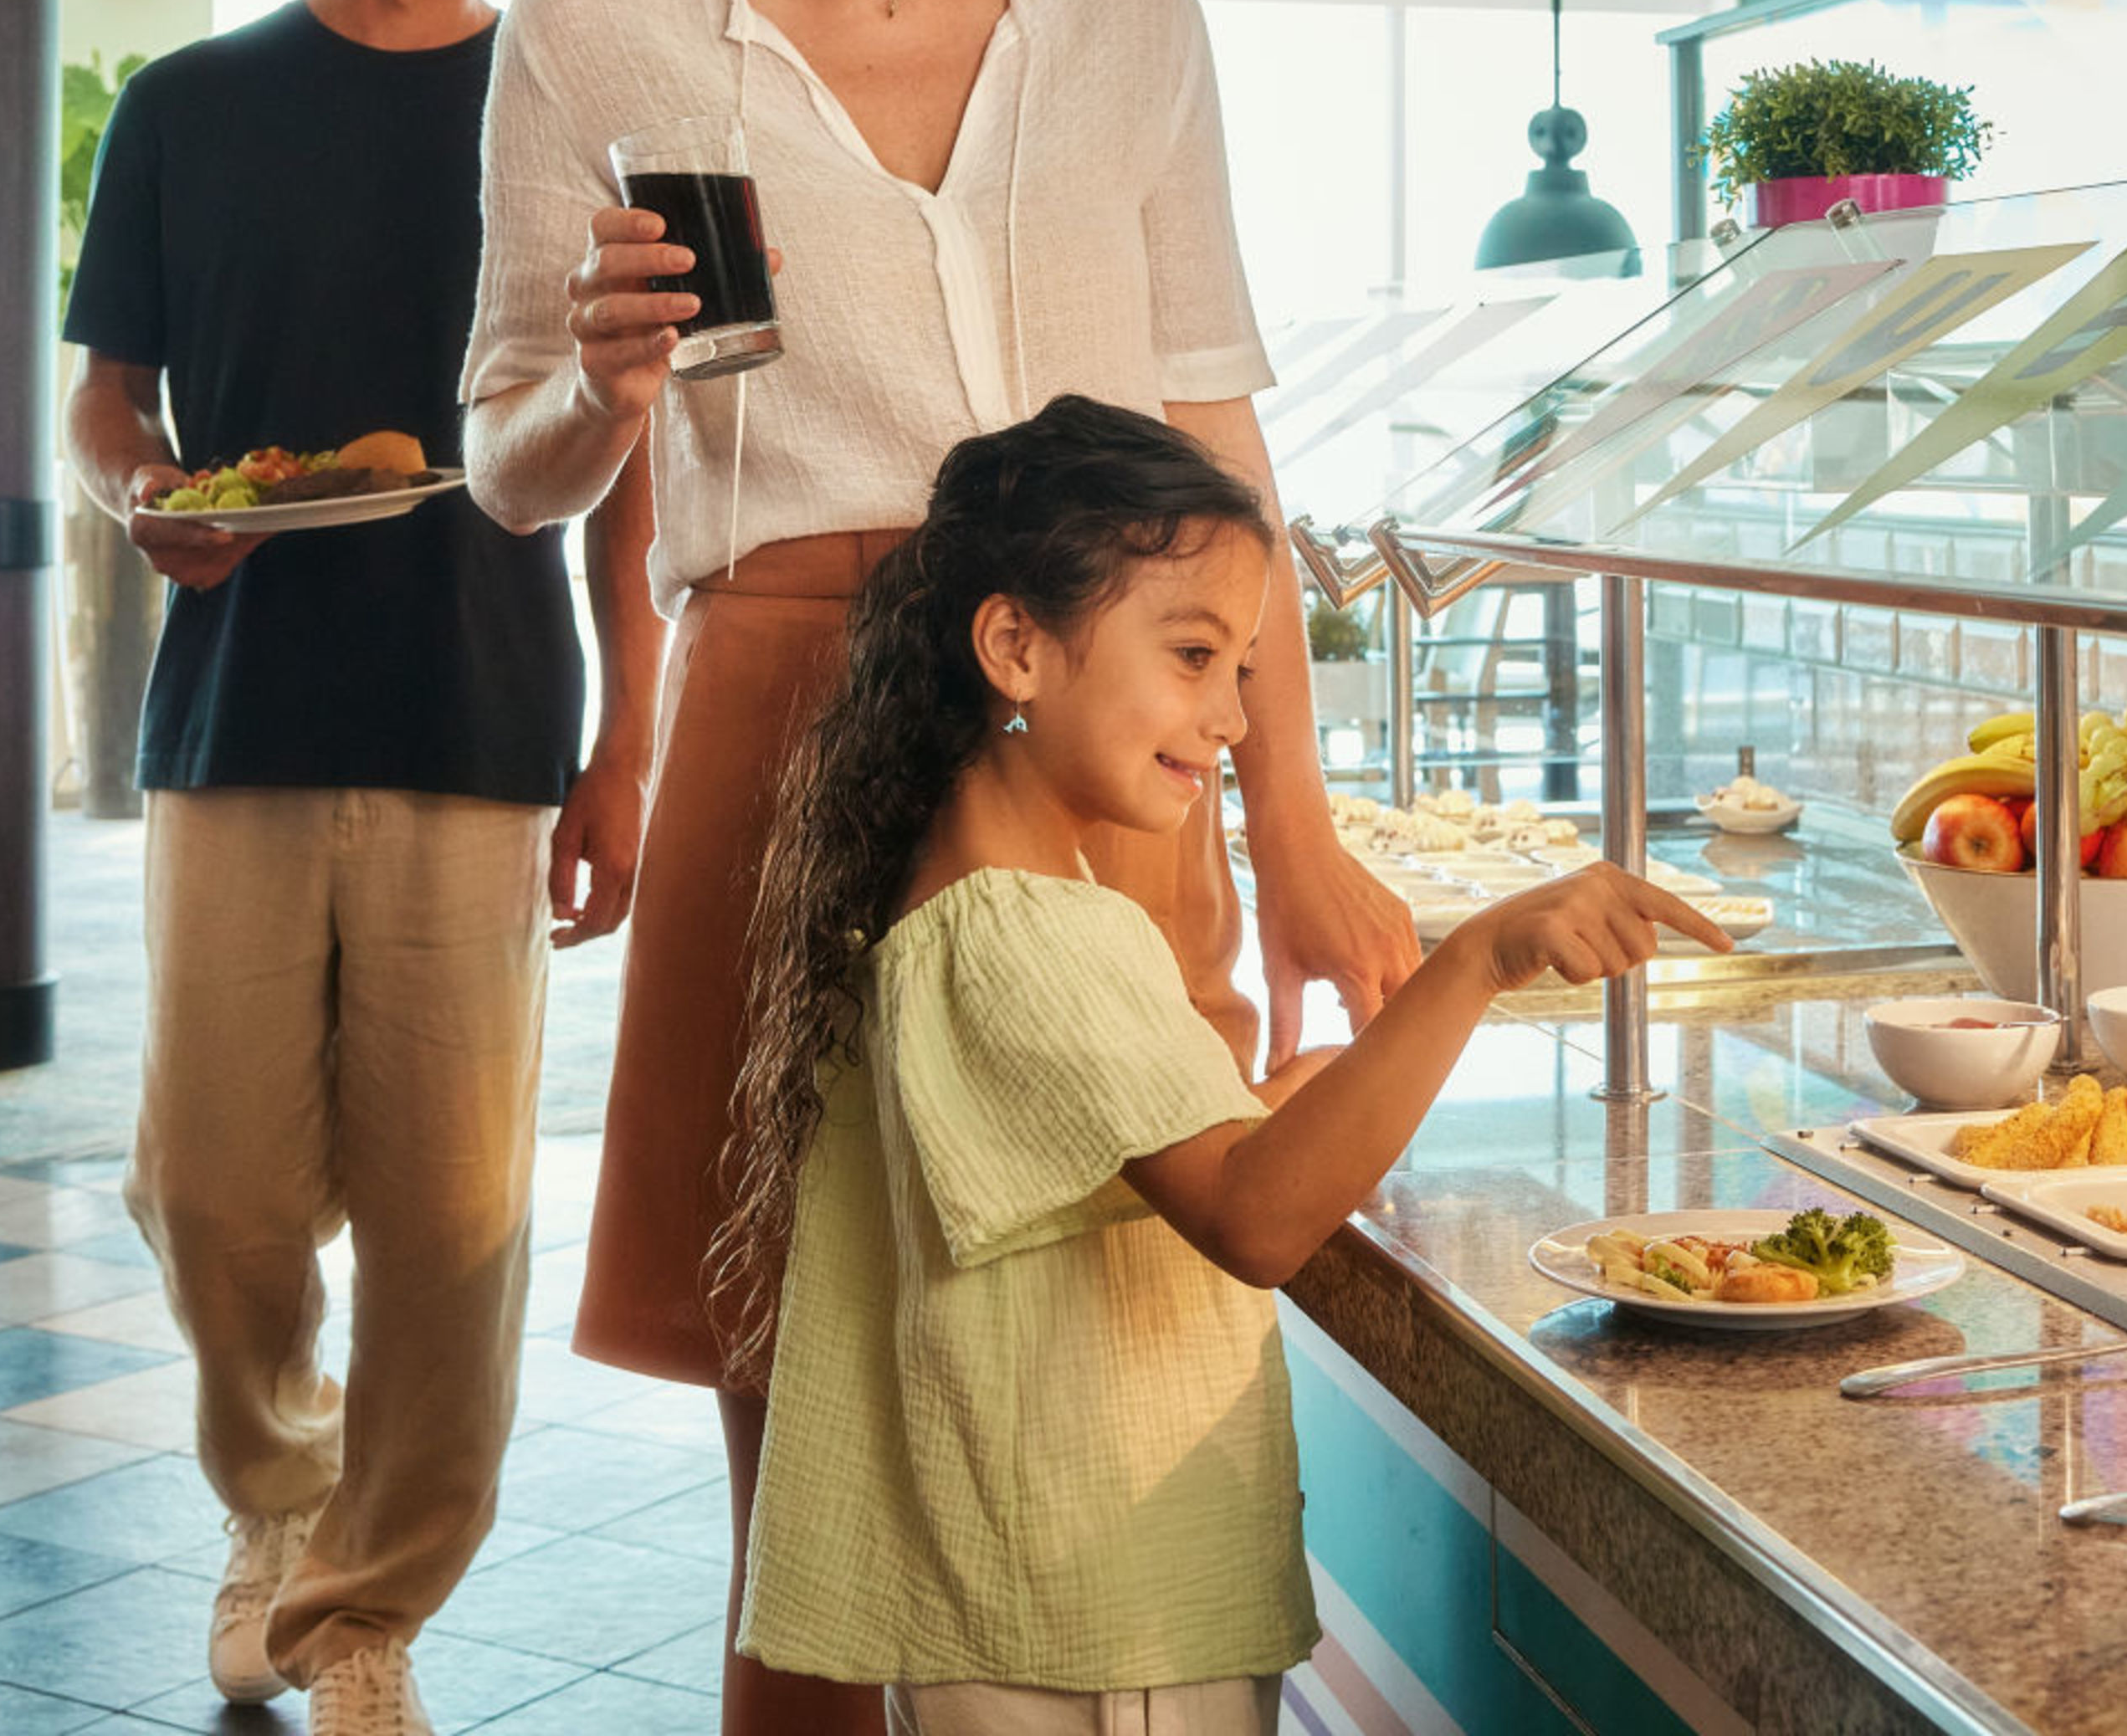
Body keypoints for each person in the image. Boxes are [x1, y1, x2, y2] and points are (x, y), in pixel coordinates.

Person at [459, 0, 1419, 1733]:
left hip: (1102, 737)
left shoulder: (1126, 11)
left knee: (1106, 1344)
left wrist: (1289, 819)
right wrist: (601, 390)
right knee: (806, 1407)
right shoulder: (604, 24)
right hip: (791, 723)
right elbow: (507, 461)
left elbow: (1223, 450)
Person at [715, 397, 1728, 1732]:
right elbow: (1256, 1214)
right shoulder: (1032, 930)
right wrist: (1473, 962)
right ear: (1017, 645)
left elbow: (1125, 1152)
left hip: (1029, 1617)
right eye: (1193, 655)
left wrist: (1317, 1084)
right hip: (1098, 1633)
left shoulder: (970, 886)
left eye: (1242, 668)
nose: (1234, 719)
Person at [64, 0, 660, 1736]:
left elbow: (628, 473)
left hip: (482, 722)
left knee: (454, 1220)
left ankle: (368, 1610)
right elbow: (106, 403)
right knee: (213, 1184)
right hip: (232, 716)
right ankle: (274, 1501)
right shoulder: (189, 109)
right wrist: (148, 499)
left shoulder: (567, 121)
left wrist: (625, 759)